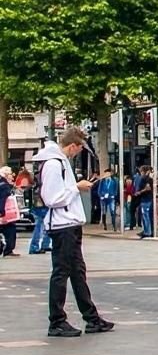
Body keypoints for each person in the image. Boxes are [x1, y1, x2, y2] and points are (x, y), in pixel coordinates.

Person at [33, 127, 114, 337]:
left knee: (77, 272)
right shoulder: (54, 164)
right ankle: (57, 320)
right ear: (72, 146)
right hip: (63, 225)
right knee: (62, 272)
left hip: (68, 224)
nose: (77, 153)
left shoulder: (59, 162)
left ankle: (91, 317)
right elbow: (52, 198)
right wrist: (76, 187)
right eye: (78, 149)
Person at [27, 156, 54, 255]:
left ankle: (44, 244)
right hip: (42, 202)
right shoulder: (43, 174)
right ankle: (36, 246)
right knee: (42, 224)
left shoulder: (37, 173)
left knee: (44, 224)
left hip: (39, 202)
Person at [0, 166, 20, 257]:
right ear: (6, 175)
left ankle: (7, 249)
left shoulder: (2, 183)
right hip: (5, 213)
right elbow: (2, 199)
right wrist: (2, 211)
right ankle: (8, 250)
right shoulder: (4, 186)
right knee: (11, 230)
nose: (12, 176)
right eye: (11, 174)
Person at [134, 166, 155, 239]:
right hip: (147, 199)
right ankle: (148, 230)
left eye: (142, 171)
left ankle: (147, 231)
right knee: (147, 216)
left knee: (146, 216)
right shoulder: (148, 179)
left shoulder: (145, 179)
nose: (141, 173)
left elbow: (147, 188)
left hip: (146, 199)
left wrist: (139, 192)